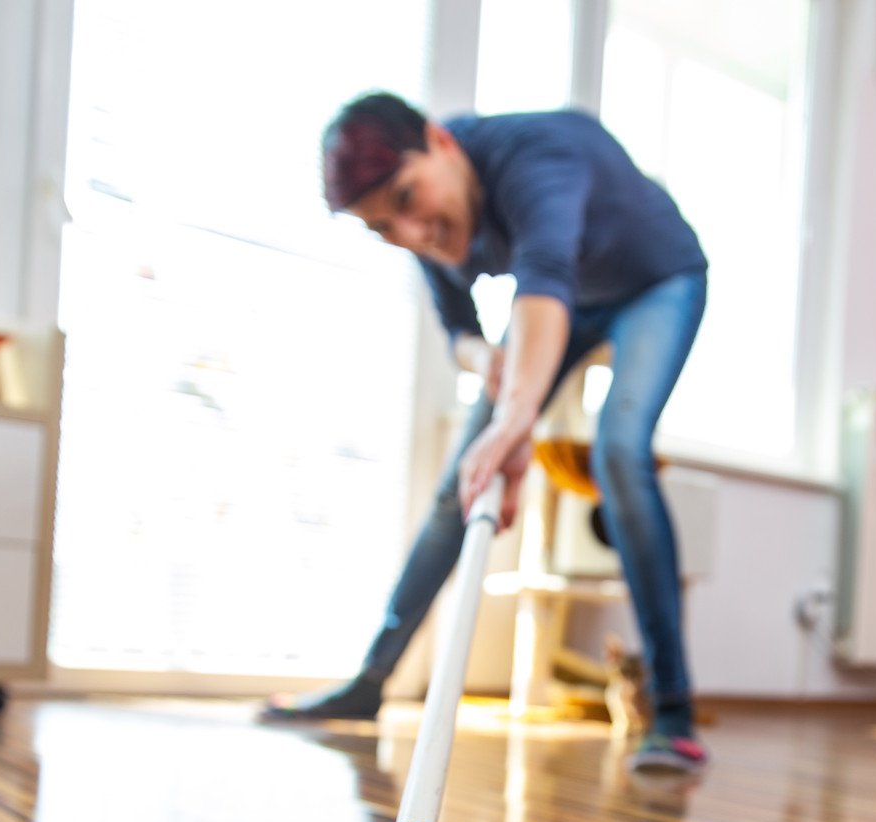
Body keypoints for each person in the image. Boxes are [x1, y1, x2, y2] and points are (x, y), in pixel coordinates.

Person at [263, 92, 709, 773]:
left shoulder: (542, 156)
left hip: (657, 281)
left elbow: (546, 279)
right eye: (382, 228)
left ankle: (673, 710)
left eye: (407, 201)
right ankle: (368, 685)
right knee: (462, 480)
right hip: (567, 303)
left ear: (440, 142)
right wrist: (489, 367)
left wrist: (515, 416)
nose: (409, 234)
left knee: (620, 453)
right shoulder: (420, 222)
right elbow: (460, 332)